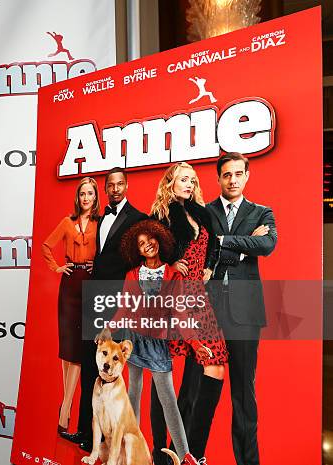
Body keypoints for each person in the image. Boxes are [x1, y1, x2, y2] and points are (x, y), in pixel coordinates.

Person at [60, 167, 147, 451]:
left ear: (126, 186)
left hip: (114, 300)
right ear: (106, 188)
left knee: (109, 374)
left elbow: (150, 251)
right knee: (89, 368)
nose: (116, 189)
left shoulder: (137, 219)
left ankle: (111, 441)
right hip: (90, 298)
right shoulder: (97, 218)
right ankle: (86, 434)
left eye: (120, 184)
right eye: (111, 185)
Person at [149, 162, 228, 463]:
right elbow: (147, 253)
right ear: (170, 182)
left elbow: (214, 247)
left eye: (193, 180)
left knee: (213, 362)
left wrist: (209, 267)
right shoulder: (162, 214)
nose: (190, 184)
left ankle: (190, 451)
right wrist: (169, 266)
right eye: (184, 179)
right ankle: (160, 452)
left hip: (197, 295)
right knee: (162, 377)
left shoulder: (202, 213)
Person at [206, 152, 277, 465]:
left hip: (245, 313)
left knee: (243, 395)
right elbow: (202, 251)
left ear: (247, 176)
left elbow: (267, 245)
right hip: (206, 311)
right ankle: (187, 456)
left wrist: (224, 241)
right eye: (227, 174)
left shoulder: (262, 212)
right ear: (219, 178)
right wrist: (243, 245)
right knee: (197, 391)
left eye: (238, 174)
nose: (232, 180)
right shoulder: (204, 212)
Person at [117, 219, 205, 463]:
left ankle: (185, 455)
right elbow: (124, 309)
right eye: (141, 243)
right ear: (137, 250)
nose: (148, 245)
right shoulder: (132, 275)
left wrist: (196, 344)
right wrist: (107, 329)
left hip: (157, 344)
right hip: (134, 339)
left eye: (150, 239)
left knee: (168, 401)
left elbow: (180, 313)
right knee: (134, 391)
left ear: (159, 239)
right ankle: (131, 447)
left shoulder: (173, 275)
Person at [41, 177, 99, 434]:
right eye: (82, 194)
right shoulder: (67, 222)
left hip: (89, 284)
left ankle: (65, 410)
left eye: (90, 194)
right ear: (78, 198)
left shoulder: (101, 223)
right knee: (67, 349)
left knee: (77, 351)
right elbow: (46, 245)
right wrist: (56, 267)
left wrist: (97, 266)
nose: (86, 198)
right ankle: (65, 408)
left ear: (96, 197)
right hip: (69, 283)